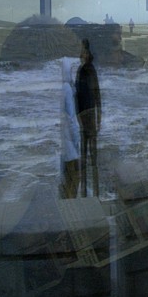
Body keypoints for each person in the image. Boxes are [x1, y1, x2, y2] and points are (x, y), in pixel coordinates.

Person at [75, 39, 102, 196]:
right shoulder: (81, 70)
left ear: (88, 54)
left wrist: (99, 117)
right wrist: (77, 117)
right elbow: (77, 96)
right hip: (84, 117)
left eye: (84, 52)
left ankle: (96, 192)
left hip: (90, 116)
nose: (82, 54)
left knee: (93, 158)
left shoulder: (90, 70)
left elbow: (97, 95)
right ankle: (85, 192)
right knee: (84, 156)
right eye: (81, 52)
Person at [59, 57, 81, 198]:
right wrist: (77, 138)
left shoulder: (62, 87)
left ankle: (67, 202)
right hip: (70, 143)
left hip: (64, 142)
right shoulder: (67, 89)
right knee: (75, 176)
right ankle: (71, 204)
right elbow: (71, 117)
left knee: (67, 177)